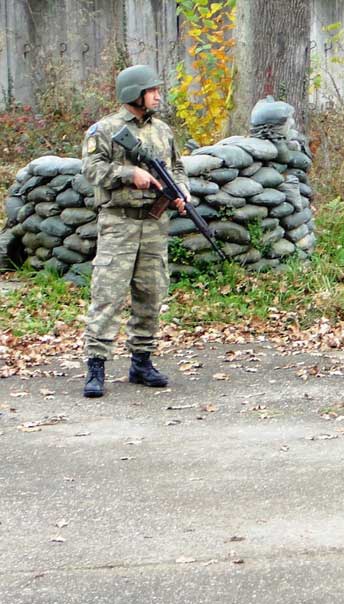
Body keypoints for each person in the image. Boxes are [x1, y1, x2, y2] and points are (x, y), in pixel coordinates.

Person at [81, 64, 188, 398]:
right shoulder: (104, 129)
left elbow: (178, 167)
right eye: (152, 90)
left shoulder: (163, 131)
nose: (158, 95)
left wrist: (182, 192)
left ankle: (142, 362)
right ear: (134, 94)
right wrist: (129, 174)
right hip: (119, 222)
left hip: (155, 224)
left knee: (151, 291)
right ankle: (96, 366)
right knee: (108, 293)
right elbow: (92, 168)